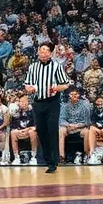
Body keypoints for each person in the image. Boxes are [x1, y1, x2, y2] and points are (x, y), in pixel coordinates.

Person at [24, 42, 69, 173]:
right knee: (41, 130)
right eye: (41, 50)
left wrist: (56, 88)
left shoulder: (56, 66)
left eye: (45, 51)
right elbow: (27, 84)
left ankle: (54, 161)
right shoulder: (33, 67)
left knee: (52, 129)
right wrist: (30, 88)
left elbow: (65, 84)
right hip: (38, 102)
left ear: (50, 53)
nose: (43, 53)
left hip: (52, 102)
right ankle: (47, 158)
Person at [85, 94, 103, 164]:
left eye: (101, 102)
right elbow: (91, 122)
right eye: (98, 102)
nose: (100, 103)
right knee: (91, 129)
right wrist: (98, 129)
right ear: (95, 103)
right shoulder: (92, 109)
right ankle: (92, 153)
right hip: (96, 128)